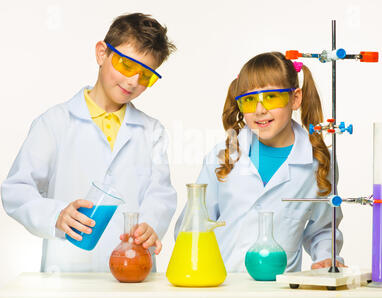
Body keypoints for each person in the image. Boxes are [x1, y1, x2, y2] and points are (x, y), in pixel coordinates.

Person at [1, 13, 177, 272]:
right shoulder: (54, 123)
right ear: (102, 53)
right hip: (68, 271)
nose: (133, 81)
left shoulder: (152, 131)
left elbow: (160, 195)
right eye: (127, 66)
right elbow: (16, 190)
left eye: (146, 75)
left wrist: (151, 225)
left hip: (133, 270)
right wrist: (57, 215)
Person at [175, 52, 346, 272]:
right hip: (223, 284)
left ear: (295, 98)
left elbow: (323, 228)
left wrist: (326, 257)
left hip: (281, 290)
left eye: (271, 97)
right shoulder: (224, 154)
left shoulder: (318, 160)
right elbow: (192, 223)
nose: (259, 110)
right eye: (249, 100)